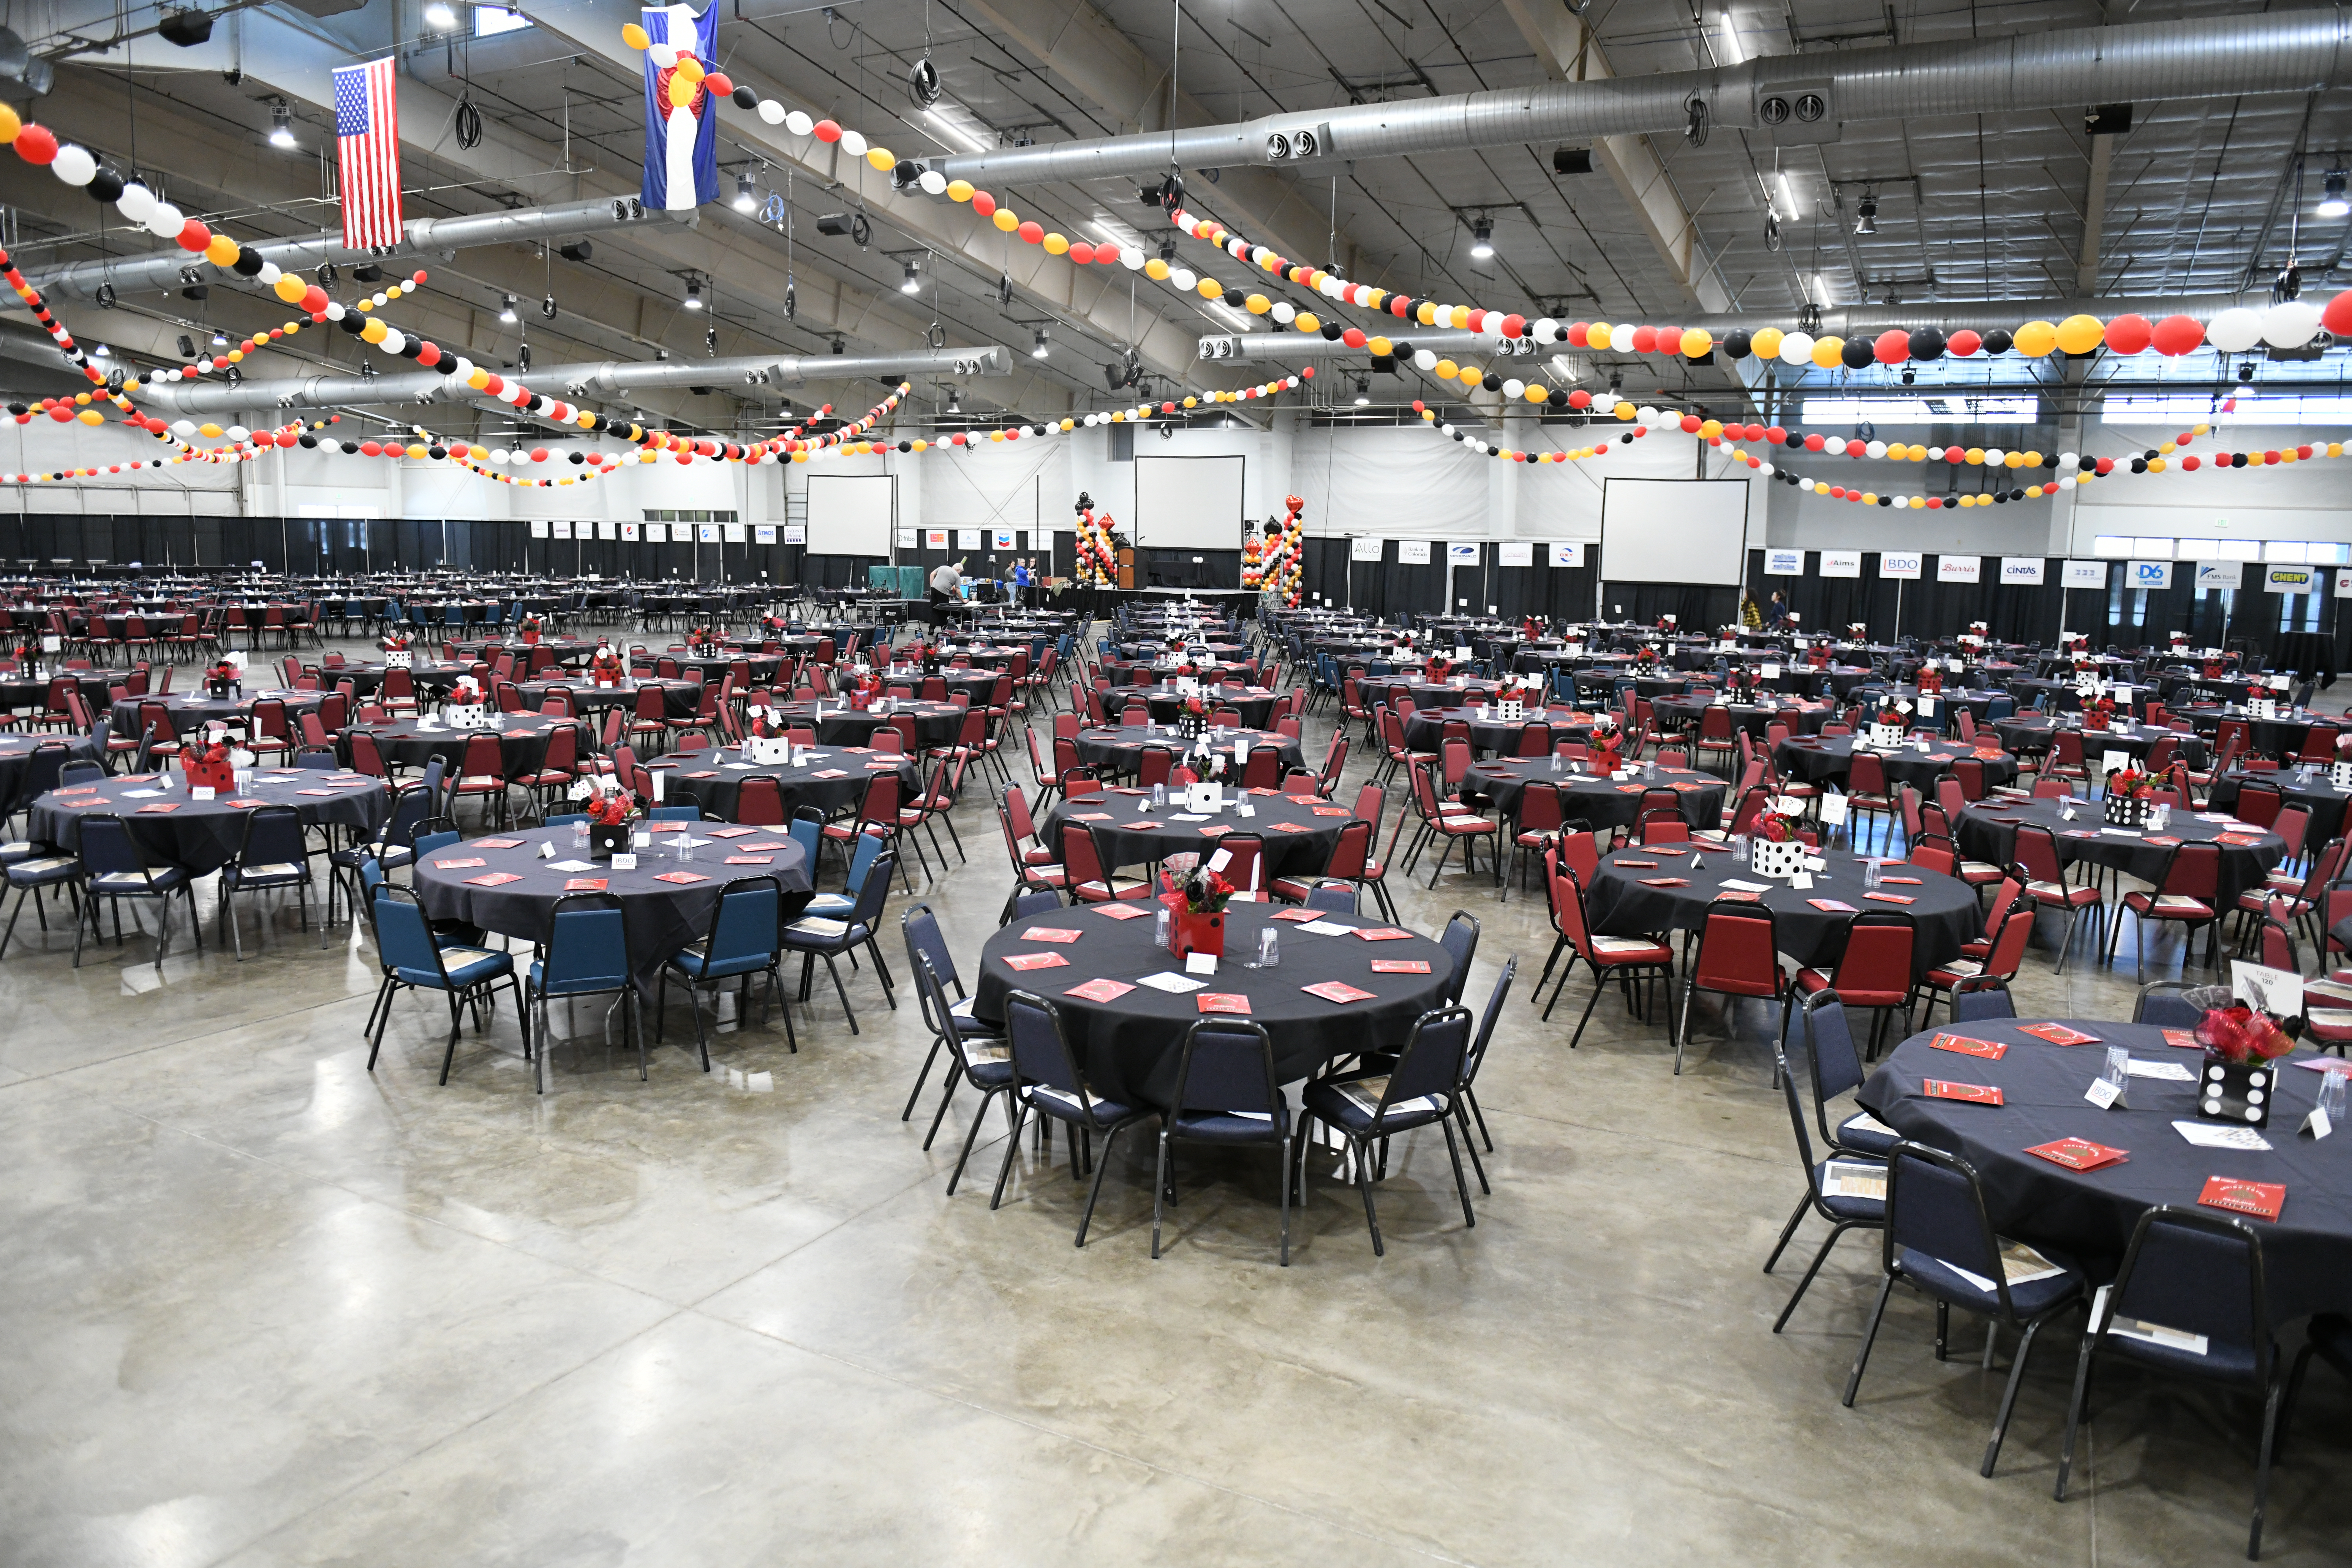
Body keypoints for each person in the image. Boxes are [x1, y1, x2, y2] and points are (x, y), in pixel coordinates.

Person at [927, 558, 961, 624]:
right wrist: (963, 600)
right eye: (960, 572)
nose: (960, 574)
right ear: (958, 570)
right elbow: (958, 591)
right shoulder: (957, 576)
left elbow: (932, 575)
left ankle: (931, 629)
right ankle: (944, 629)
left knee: (933, 609)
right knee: (944, 610)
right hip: (943, 593)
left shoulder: (943, 567)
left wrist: (932, 587)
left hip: (934, 589)